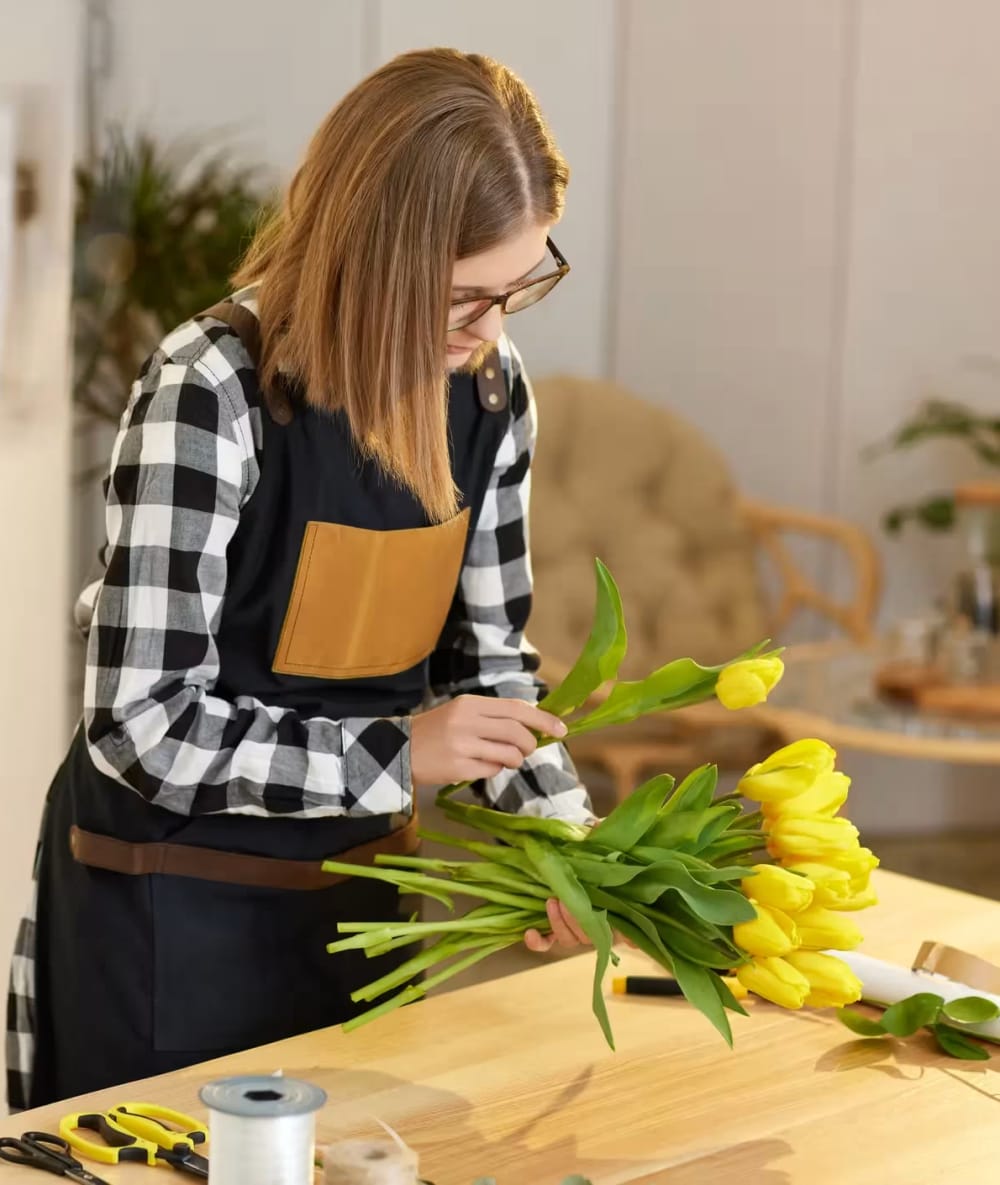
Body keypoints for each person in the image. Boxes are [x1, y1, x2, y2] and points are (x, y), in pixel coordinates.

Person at [5, 47, 598, 1112]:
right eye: (466, 298)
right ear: (371, 256)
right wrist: (400, 752)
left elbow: (492, 663)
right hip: (168, 921)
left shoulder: (492, 394)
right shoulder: (211, 390)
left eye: (519, 288)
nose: (491, 333)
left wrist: (566, 849)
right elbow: (140, 727)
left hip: (361, 910)